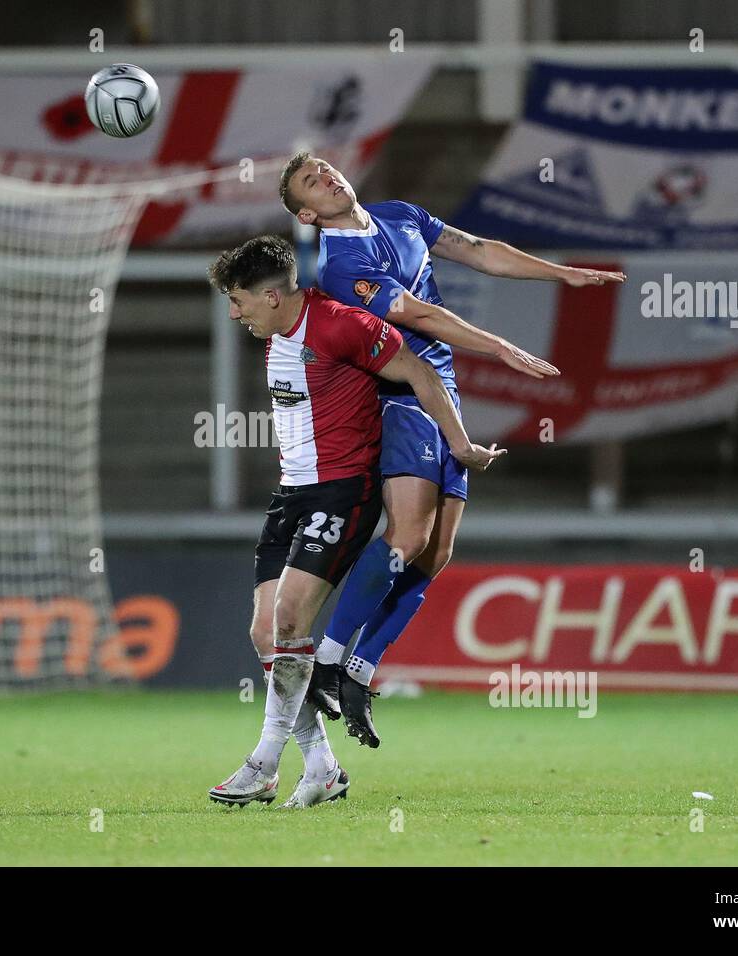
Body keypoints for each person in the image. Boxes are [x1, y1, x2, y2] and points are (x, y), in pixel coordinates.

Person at [279, 152, 626, 747]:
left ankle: (359, 673)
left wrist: (561, 273)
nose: (328, 177)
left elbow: (479, 249)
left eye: (327, 168)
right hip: (398, 393)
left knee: (435, 553)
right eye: (311, 182)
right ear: (307, 212)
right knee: (406, 535)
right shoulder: (339, 265)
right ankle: (329, 661)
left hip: (441, 392)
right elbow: (416, 313)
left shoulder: (400, 215)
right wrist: (499, 346)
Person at [204, 235, 503, 808]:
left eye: (238, 300)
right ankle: (321, 766)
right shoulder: (278, 331)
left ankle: (263, 762)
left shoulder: (342, 325)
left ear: (270, 296)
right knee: (267, 633)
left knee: (291, 617)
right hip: (291, 492)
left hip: (343, 492)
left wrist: (460, 445)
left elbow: (420, 373)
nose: (233, 313)